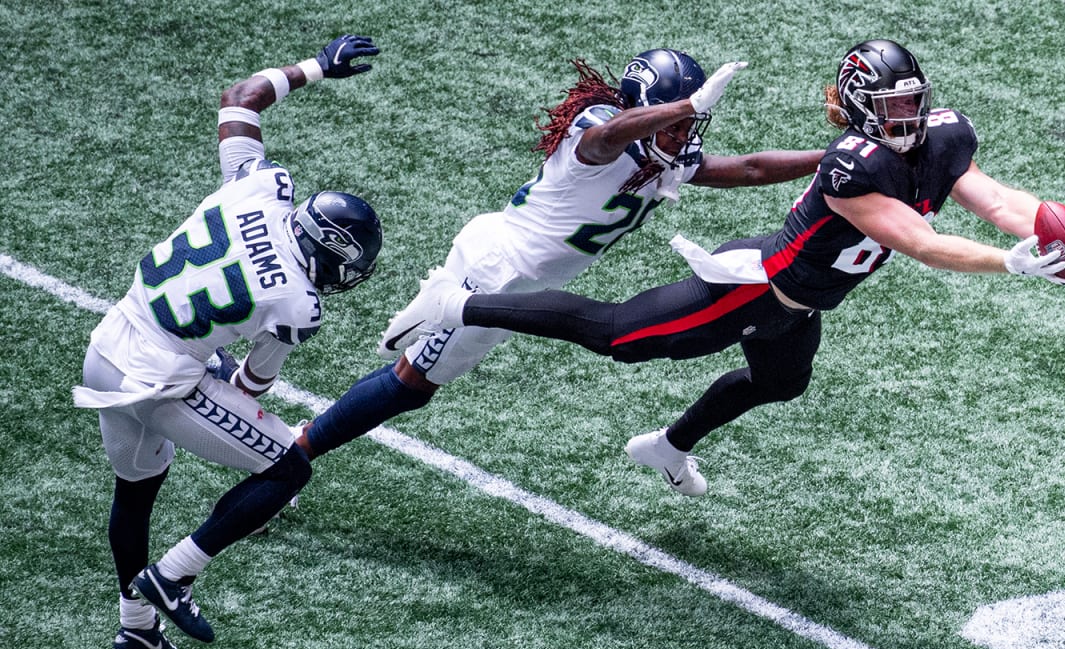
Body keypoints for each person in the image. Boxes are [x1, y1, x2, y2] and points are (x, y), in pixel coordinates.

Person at [379, 39, 1065, 497]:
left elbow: (996, 196)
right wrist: (1006, 263)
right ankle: (454, 305)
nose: (909, 113)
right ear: (857, 110)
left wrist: (1050, 229)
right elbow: (915, 240)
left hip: (800, 301)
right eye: (892, 104)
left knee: (780, 383)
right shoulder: (855, 164)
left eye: (913, 99)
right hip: (752, 288)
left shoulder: (944, 139)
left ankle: (666, 446)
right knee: (615, 335)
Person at [293, 49, 824, 461]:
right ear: (644, 109)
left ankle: (408, 329)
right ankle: (294, 454)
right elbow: (607, 137)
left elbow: (751, 168)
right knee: (411, 384)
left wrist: (831, 157)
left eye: (689, 124)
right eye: (676, 122)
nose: (684, 134)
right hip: (497, 274)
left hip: (508, 271)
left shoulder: (665, 155)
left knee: (409, 365)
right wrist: (684, 105)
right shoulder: (600, 129)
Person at [73, 34, 382, 649]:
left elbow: (240, 99)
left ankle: (137, 627)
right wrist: (228, 382)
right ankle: (176, 576)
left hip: (107, 344)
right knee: (289, 467)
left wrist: (317, 67)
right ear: (330, 254)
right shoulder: (298, 303)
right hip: (157, 380)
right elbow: (252, 383)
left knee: (135, 492)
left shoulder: (259, 188)